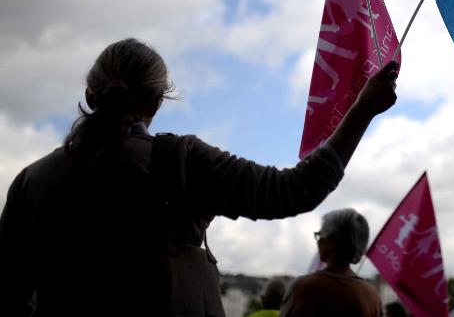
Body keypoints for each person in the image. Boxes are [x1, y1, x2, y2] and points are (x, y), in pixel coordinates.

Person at [0, 38, 398, 317]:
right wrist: (362, 109)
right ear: (158, 100)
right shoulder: (183, 160)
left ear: (90, 95)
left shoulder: (30, 182)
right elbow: (294, 191)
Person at [279, 208, 381, 317]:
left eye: (320, 235)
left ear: (331, 242)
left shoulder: (302, 288)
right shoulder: (371, 296)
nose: (318, 241)